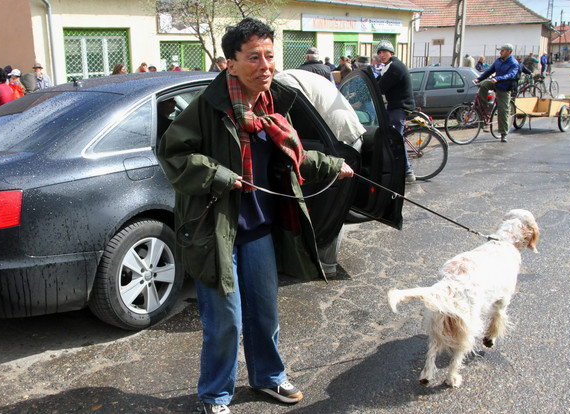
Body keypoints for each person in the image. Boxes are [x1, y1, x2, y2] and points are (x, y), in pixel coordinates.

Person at [157, 17, 353, 414]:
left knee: (265, 312)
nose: (265, 65)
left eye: (269, 56)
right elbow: (172, 153)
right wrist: (219, 176)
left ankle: (268, 377)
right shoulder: (208, 108)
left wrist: (333, 165)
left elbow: (290, 157)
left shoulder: (274, 103)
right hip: (217, 229)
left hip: (260, 228)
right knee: (226, 320)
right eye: (253, 57)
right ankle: (214, 394)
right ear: (230, 63)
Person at [375, 39, 416, 182]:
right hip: (395, 106)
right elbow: (376, 81)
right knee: (387, 134)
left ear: (391, 53)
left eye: (384, 52)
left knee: (396, 139)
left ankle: (407, 171)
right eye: (379, 52)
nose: (381, 55)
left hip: (399, 107)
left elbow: (380, 87)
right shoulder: (388, 67)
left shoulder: (395, 67)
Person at [475, 43, 519, 143]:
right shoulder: (499, 61)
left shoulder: (514, 63)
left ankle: (503, 133)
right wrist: (479, 79)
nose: (500, 52)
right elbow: (489, 71)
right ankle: (485, 108)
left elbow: (510, 75)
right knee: (483, 85)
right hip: (495, 82)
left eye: (502, 50)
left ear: (508, 52)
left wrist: (498, 78)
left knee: (503, 110)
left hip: (504, 87)